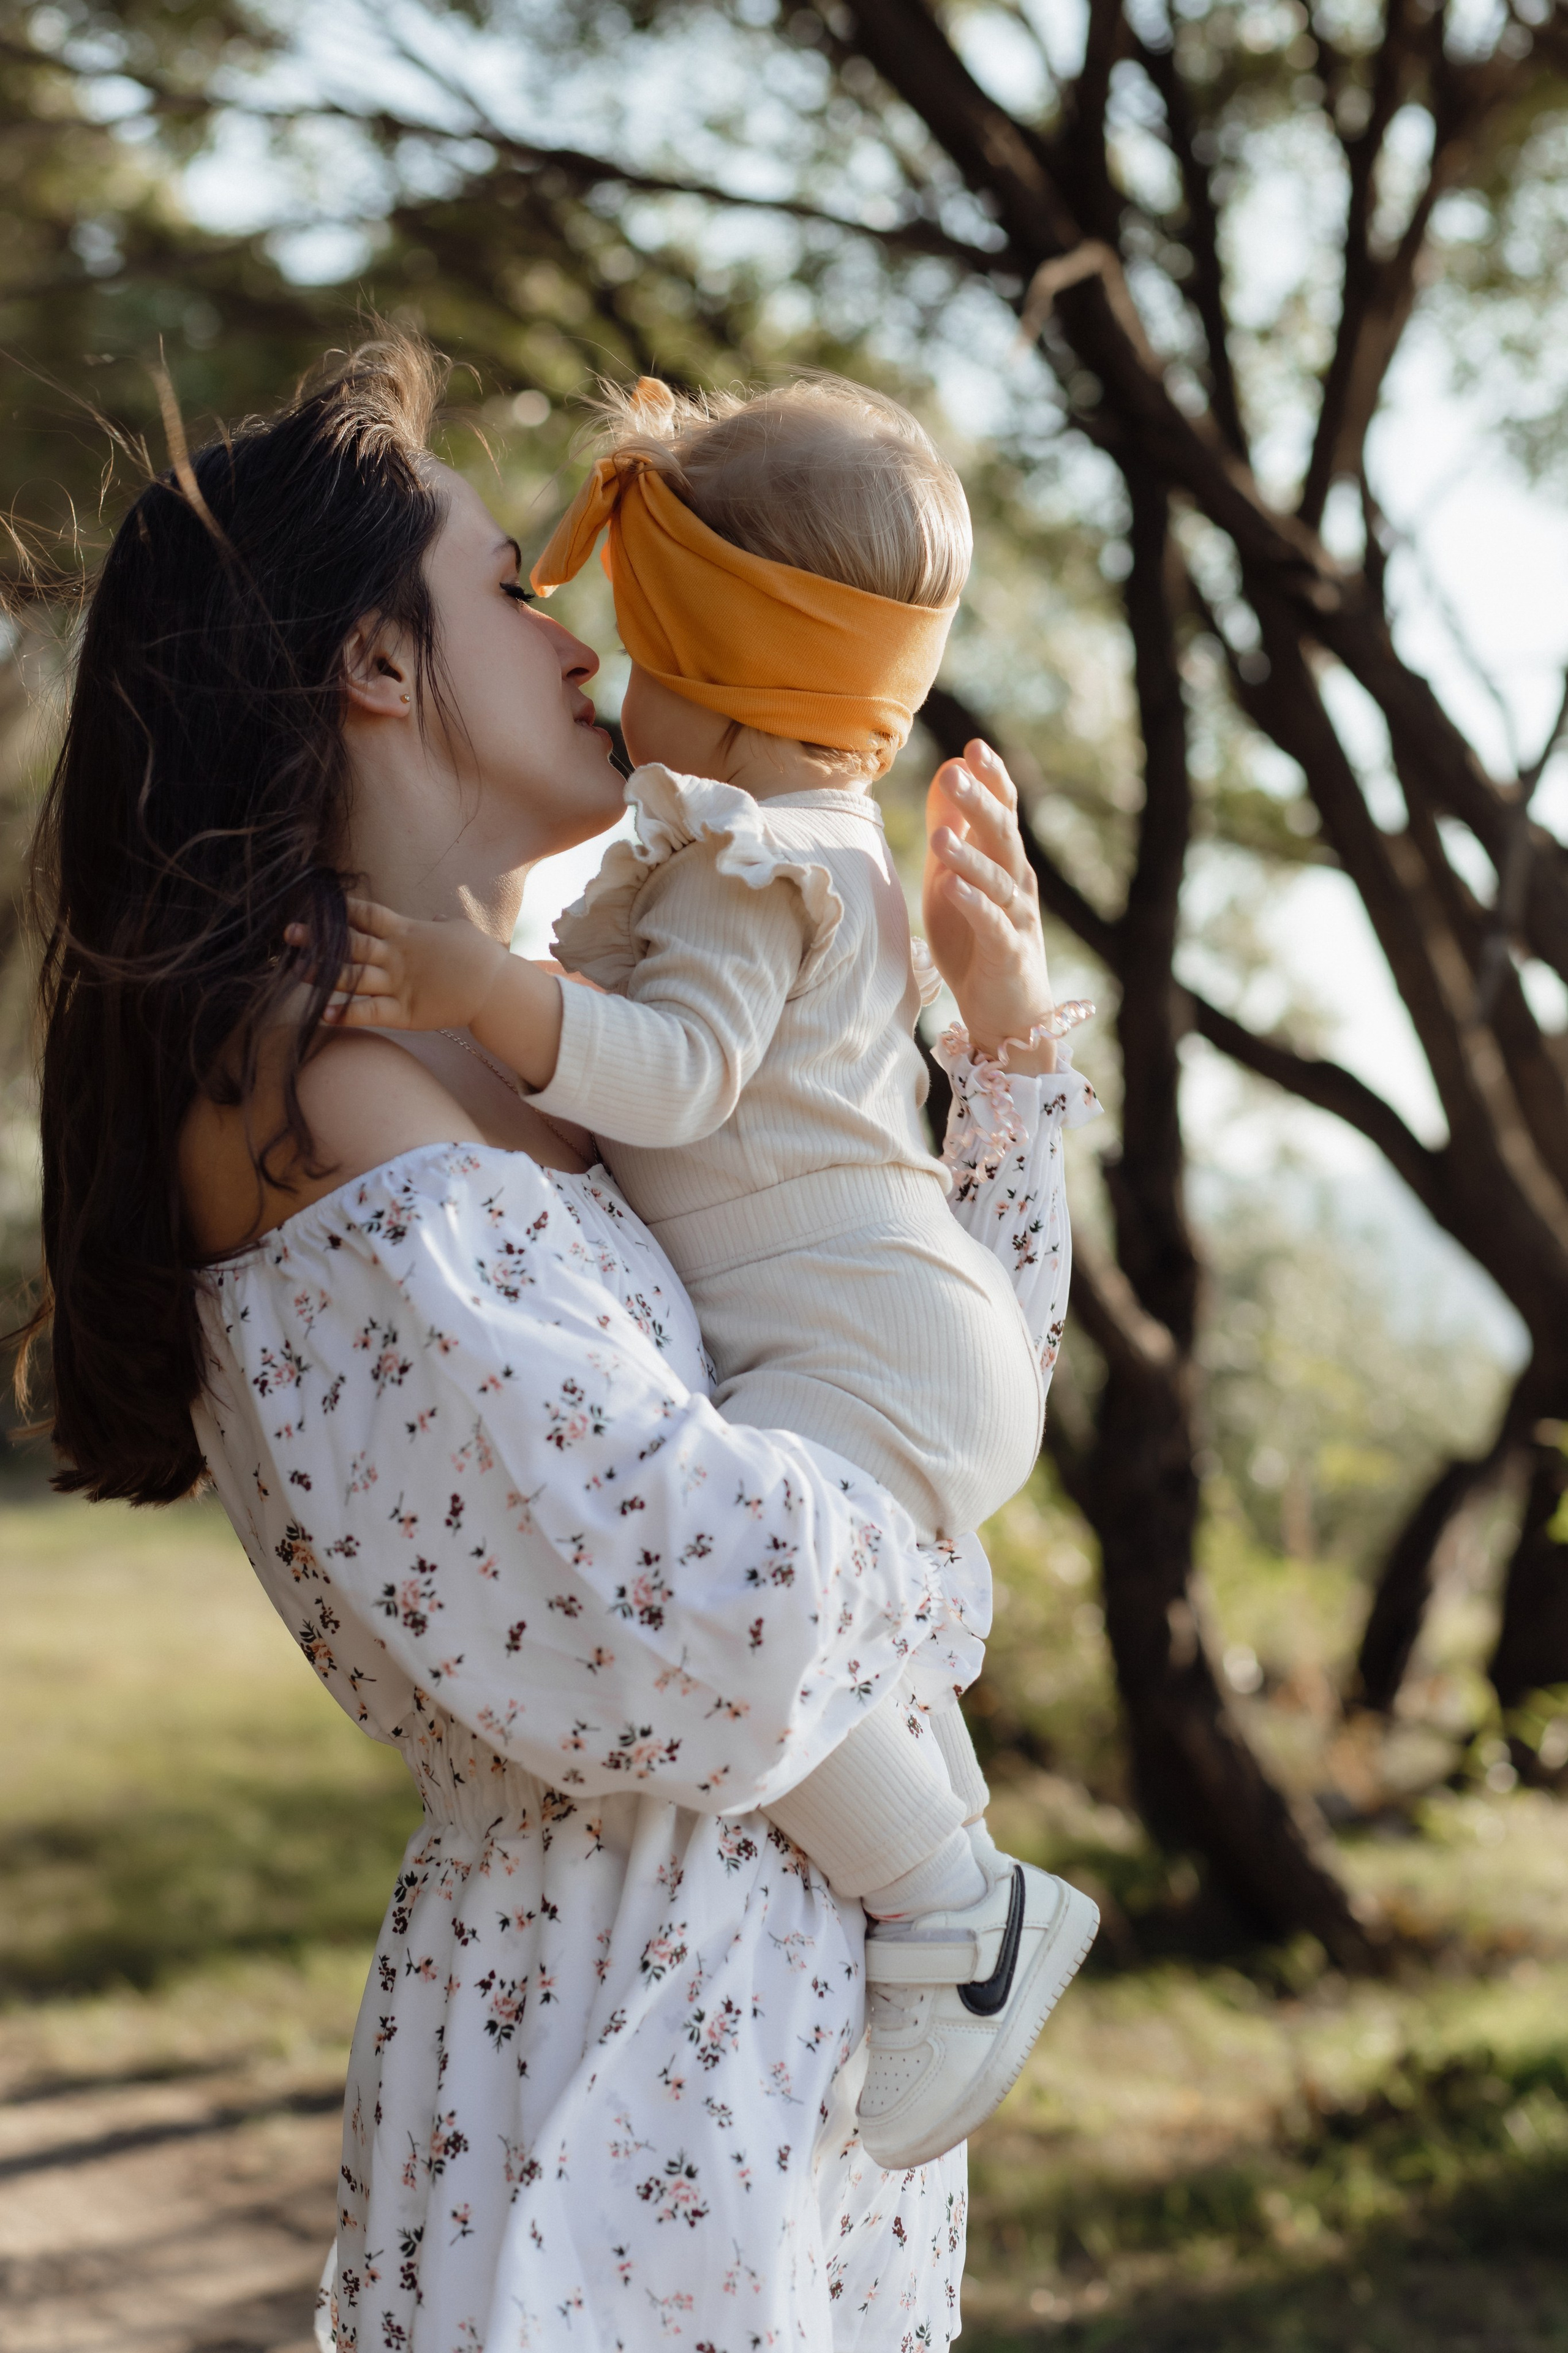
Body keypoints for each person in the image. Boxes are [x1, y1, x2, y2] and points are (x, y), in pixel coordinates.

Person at [19, 333, 1091, 2352]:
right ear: (376, 665)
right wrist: (915, 1563)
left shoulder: (551, 1064)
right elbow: (702, 1604)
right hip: (618, 2040)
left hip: (780, 2032)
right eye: (512, 589)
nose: (583, 636)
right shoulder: (315, 1094)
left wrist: (1008, 1047)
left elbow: (934, 1399)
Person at [301, 372, 1101, 2171]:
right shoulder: (778, 847)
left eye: (643, 643)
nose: (599, 661)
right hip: (901, 1321)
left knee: (752, 1609)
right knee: (776, 1606)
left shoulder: (751, 864)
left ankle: (957, 1903)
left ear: (732, 679)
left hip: (864, 1327)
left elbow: (670, 1078)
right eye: (518, 598)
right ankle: (944, 1862)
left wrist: (482, 990)